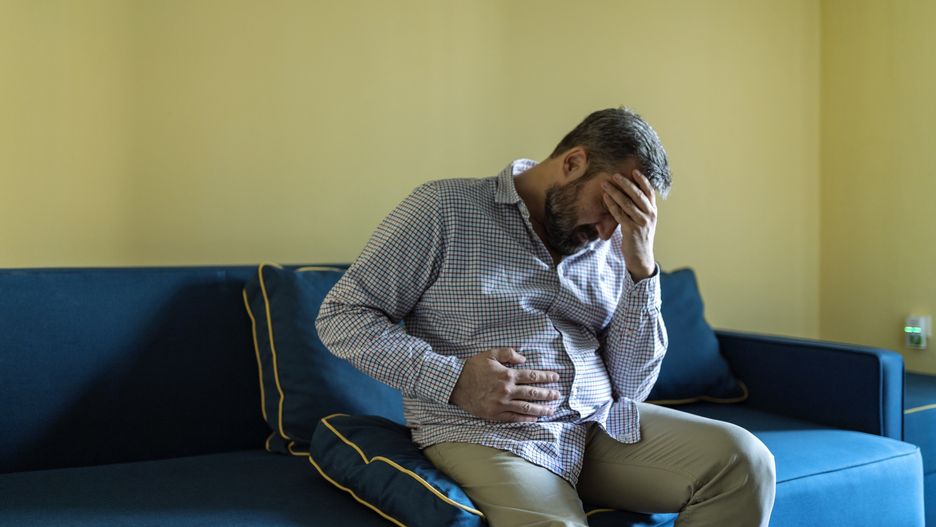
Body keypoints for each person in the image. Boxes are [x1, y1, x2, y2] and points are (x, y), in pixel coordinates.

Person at [316, 107, 776, 526]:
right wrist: (454, 380)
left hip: (597, 427)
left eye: (631, 215)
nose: (607, 230)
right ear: (573, 163)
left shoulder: (615, 247)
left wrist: (641, 266)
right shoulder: (443, 209)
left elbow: (634, 387)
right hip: (486, 434)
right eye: (611, 204)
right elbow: (342, 315)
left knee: (745, 462)